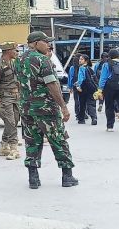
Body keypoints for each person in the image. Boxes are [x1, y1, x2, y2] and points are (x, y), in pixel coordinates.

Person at [15, 31, 77, 189]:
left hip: (27, 109)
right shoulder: (43, 60)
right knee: (58, 139)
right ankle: (67, 176)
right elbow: (52, 85)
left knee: (31, 141)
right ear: (35, 43)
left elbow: (18, 84)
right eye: (46, 42)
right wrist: (63, 106)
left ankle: (33, 179)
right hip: (46, 108)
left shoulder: (18, 60)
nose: (49, 45)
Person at [0, 42, 21, 160]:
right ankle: (14, 148)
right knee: (10, 122)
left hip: (16, 97)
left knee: (14, 120)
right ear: (8, 51)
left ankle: (3, 146)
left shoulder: (14, 63)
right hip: (5, 98)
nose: (16, 52)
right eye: (15, 50)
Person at [73, 54, 98, 126]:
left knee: (82, 103)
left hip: (83, 87)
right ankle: (94, 118)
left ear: (85, 61)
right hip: (91, 87)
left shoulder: (81, 68)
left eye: (81, 59)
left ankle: (81, 119)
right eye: (79, 59)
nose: (79, 60)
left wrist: (78, 86)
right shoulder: (90, 68)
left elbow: (81, 79)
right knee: (91, 103)